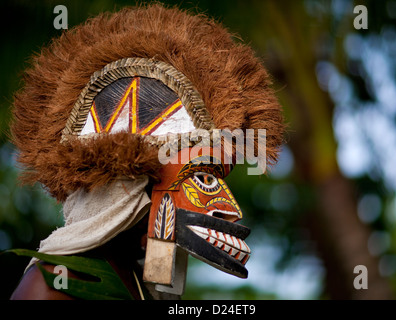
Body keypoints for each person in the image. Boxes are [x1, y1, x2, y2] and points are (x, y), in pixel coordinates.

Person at [9, 4, 284, 300]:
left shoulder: (134, 284)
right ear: (130, 186)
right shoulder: (56, 283)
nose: (229, 210)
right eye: (202, 179)